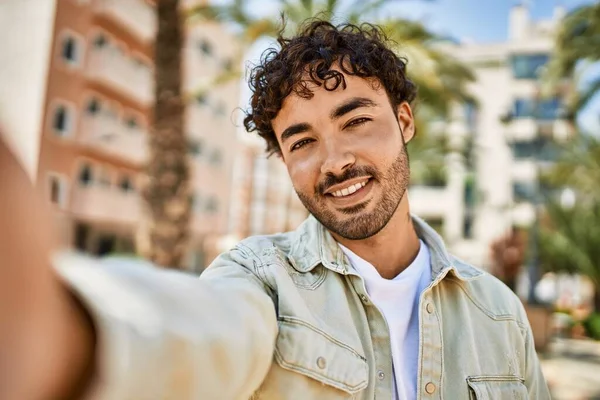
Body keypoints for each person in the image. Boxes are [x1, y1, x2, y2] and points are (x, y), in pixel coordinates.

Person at [0, 20, 550, 400]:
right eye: (302, 141)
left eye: (355, 120)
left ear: (404, 121)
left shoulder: (499, 312)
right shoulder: (259, 281)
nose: (335, 161)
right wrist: (66, 336)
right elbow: (205, 331)